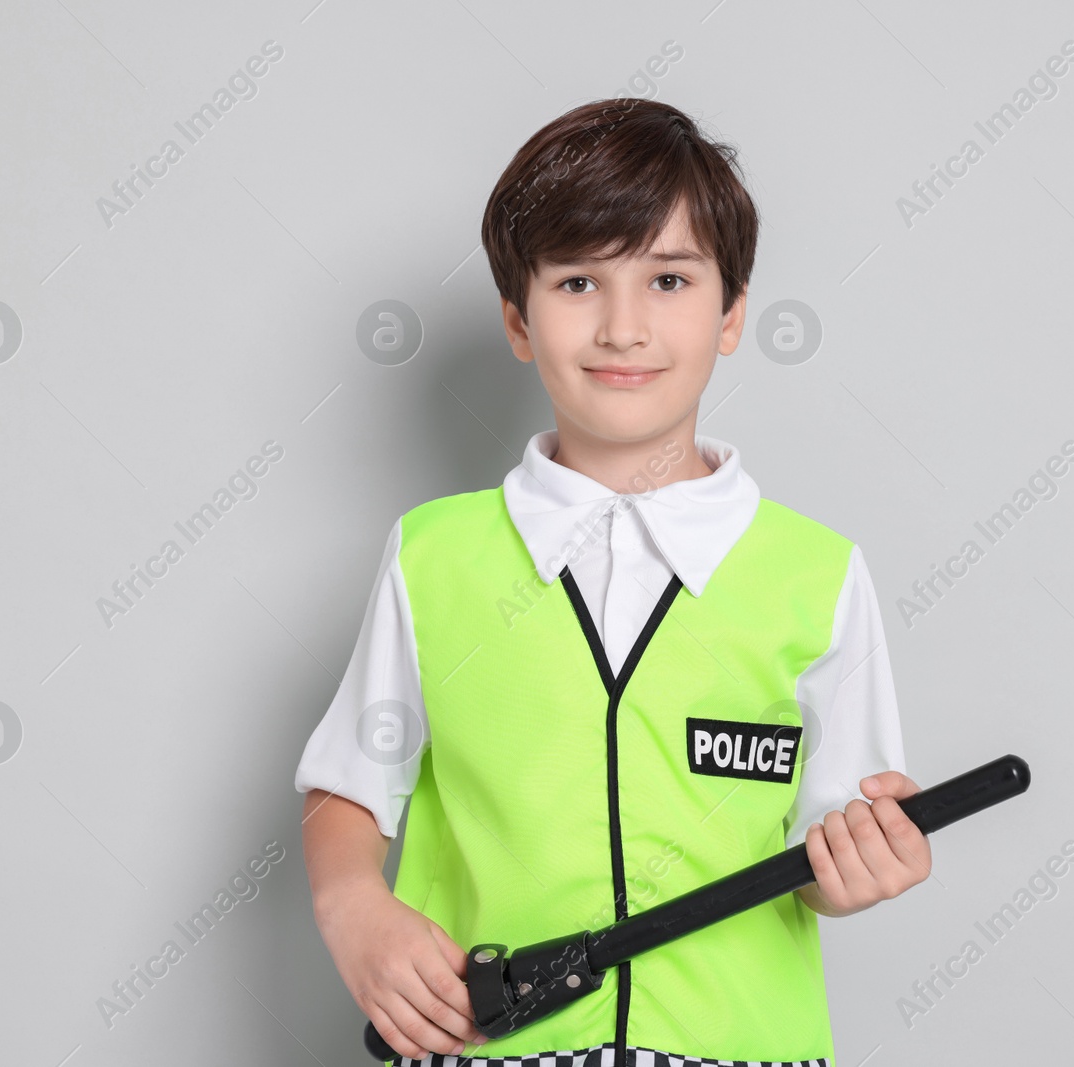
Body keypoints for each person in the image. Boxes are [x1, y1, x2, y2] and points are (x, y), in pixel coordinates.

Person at [295, 97, 931, 1067]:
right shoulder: (435, 554)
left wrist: (858, 868)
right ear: (519, 319)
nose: (624, 326)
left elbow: (826, 851)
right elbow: (348, 785)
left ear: (730, 314)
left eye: (669, 278)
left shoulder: (817, 573)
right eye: (579, 281)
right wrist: (353, 907)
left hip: (744, 1048)